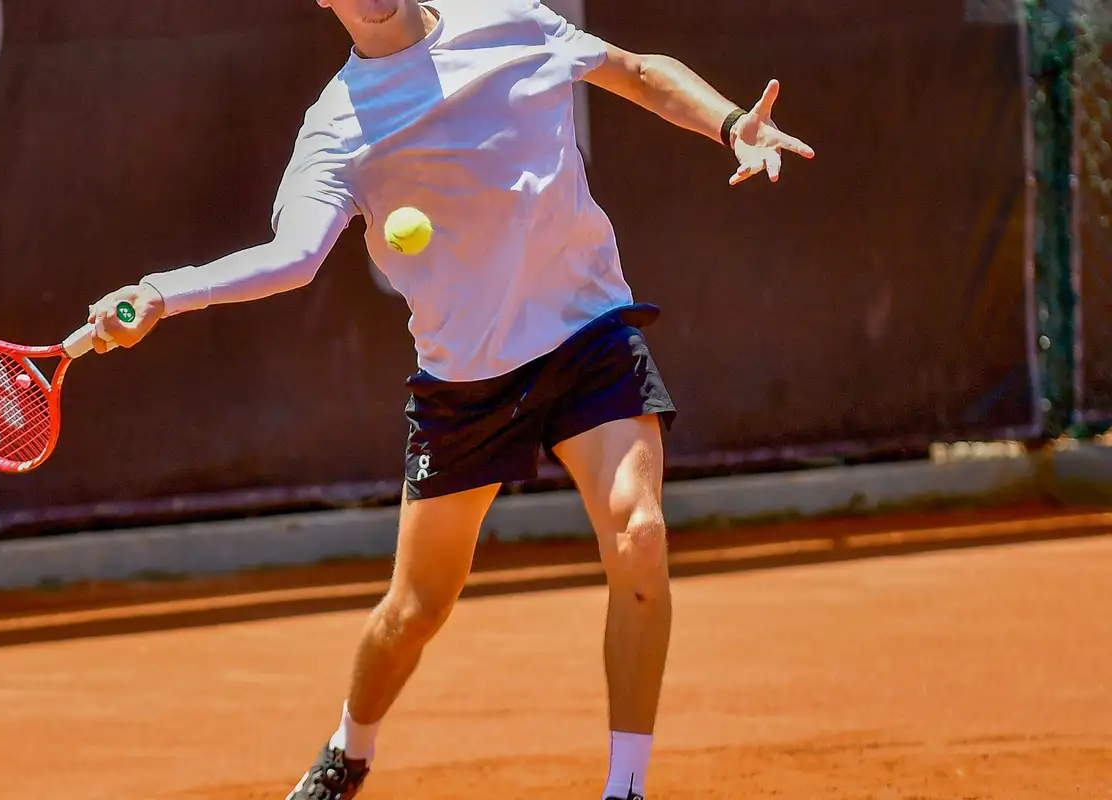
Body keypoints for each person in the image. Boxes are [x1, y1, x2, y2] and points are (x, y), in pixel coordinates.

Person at [84, 0, 815, 797]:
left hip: (587, 333)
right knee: (417, 607)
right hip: (466, 381)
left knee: (639, 531)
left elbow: (636, 73)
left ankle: (626, 787)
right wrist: (162, 293)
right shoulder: (339, 125)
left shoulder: (508, 18)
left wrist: (732, 122)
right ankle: (348, 748)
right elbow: (290, 259)